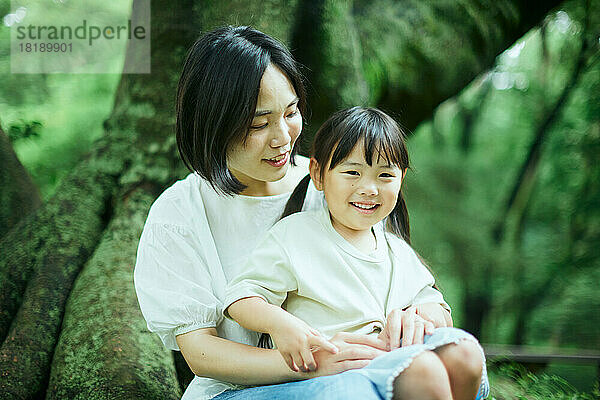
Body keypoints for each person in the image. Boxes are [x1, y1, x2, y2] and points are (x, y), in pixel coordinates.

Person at [134, 26, 468, 400]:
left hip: (370, 369)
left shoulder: (341, 179)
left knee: (459, 357)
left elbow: (400, 276)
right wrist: (312, 362)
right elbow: (201, 353)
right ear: (213, 123)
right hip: (246, 390)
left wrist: (417, 314)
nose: (282, 136)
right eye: (258, 124)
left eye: (290, 112)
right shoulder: (179, 214)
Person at [223, 107, 490, 400]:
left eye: (385, 175)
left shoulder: (396, 249)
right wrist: (280, 324)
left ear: (401, 180)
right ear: (318, 174)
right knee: (423, 368)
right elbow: (241, 299)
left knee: (463, 352)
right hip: (330, 372)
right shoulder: (295, 236)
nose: (369, 188)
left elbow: (437, 308)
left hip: (390, 363)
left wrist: (421, 315)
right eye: (353, 172)